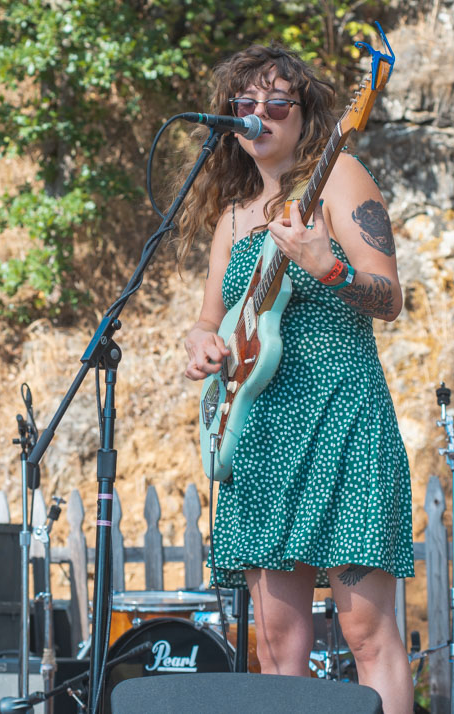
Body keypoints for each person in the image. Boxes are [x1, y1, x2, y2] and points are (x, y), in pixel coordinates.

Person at [180, 45, 414, 712]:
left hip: (342, 417)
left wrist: (328, 267)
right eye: (245, 104)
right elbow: (210, 319)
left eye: (277, 102)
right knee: (279, 645)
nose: (260, 114)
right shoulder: (232, 215)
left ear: (305, 113)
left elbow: (390, 299)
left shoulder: (340, 178)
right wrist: (201, 345)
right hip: (259, 435)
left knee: (367, 636)